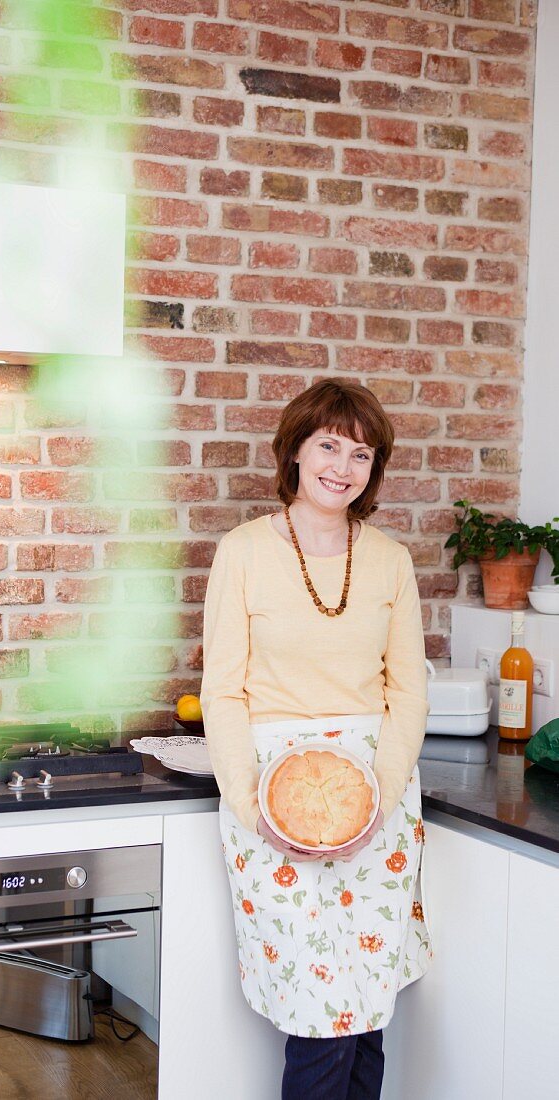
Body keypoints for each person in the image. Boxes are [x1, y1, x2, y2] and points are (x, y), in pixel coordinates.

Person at [200, 379, 431, 1100]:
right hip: (269, 792)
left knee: (365, 1001)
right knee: (317, 1007)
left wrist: (379, 800)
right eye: (328, 444)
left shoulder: (390, 560)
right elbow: (223, 691)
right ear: (294, 451)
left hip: (375, 791)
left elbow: (406, 691)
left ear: (374, 468)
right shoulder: (240, 552)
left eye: (360, 452)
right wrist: (252, 807)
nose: (342, 465)